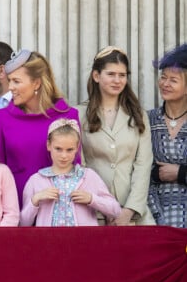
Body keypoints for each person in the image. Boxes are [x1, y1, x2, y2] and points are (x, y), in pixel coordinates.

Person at [0, 49, 81, 207]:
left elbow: (75, 169)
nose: (10, 87)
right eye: (9, 81)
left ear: (37, 83)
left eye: (16, 81)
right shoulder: (2, 119)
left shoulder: (69, 116)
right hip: (17, 210)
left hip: (59, 209)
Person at [77, 46, 154, 225]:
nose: (117, 80)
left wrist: (129, 210)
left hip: (134, 214)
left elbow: (143, 165)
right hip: (92, 212)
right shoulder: (79, 114)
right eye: (111, 74)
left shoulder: (138, 115)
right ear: (96, 76)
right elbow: (80, 166)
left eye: (122, 75)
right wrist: (101, 205)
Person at [20, 119, 121, 226]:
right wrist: (36, 199)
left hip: (83, 241)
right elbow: (24, 223)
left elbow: (116, 211)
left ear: (77, 148)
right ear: (48, 145)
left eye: (69, 150)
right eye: (58, 149)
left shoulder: (89, 176)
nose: (64, 156)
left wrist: (92, 199)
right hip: (49, 241)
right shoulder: (36, 180)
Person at [148, 43, 187, 227]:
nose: (165, 83)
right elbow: (134, 167)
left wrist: (180, 173)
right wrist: (156, 173)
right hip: (154, 214)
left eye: (173, 80)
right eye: (163, 77)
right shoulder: (148, 120)